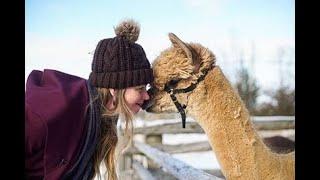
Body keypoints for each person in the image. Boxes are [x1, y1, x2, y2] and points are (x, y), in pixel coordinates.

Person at [25, 19, 154, 180]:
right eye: (140, 88)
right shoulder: (53, 110)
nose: (146, 95)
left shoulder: (102, 117)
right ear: (115, 88)